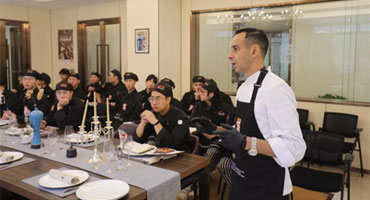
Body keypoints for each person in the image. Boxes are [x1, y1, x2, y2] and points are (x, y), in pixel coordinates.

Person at [213, 28, 306, 200]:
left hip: (267, 186)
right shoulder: (243, 88)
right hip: (241, 178)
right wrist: (216, 129)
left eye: (235, 48)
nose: (229, 55)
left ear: (254, 51)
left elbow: (295, 148)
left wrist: (246, 142)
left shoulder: (275, 88)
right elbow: (243, 128)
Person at [134, 81, 193, 153]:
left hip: (180, 157)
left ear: (168, 100)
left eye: (158, 99)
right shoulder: (153, 113)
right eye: (152, 98)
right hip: (158, 154)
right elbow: (137, 140)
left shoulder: (181, 118)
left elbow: (171, 144)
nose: (154, 102)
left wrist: (155, 122)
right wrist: (142, 123)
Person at [190, 79, 234, 168]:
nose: (199, 93)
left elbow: (229, 126)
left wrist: (214, 134)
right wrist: (203, 132)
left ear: (211, 94)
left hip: (218, 138)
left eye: (202, 91)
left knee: (211, 152)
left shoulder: (225, 106)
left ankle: (205, 175)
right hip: (201, 136)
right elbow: (192, 122)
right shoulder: (199, 105)